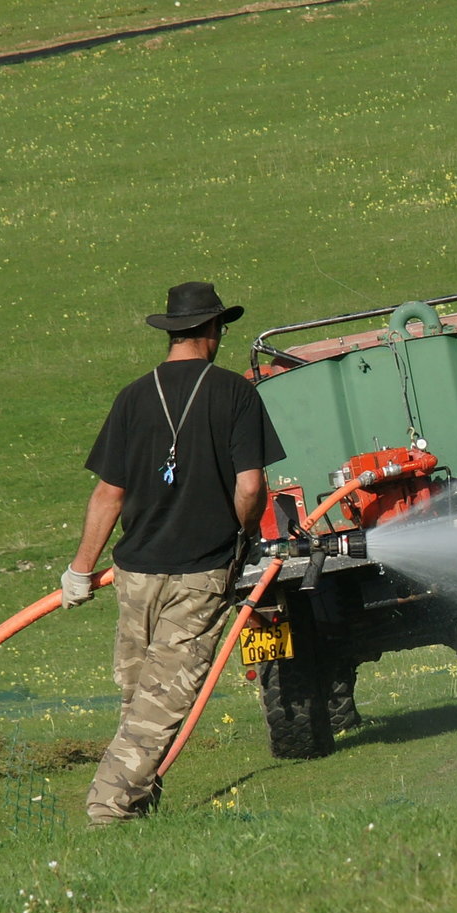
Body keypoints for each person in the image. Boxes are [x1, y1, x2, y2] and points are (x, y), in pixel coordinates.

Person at [63, 281, 285, 824]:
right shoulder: (235, 393)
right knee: (160, 706)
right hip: (200, 573)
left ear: (171, 333)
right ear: (211, 332)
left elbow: (108, 493)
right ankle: (108, 811)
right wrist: (240, 532)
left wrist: (79, 570)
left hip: (134, 573)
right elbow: (252, 487)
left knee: (139, 698)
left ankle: (137, 806)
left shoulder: (133, 397)